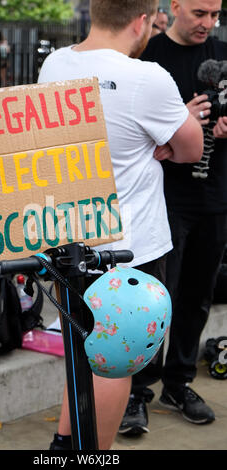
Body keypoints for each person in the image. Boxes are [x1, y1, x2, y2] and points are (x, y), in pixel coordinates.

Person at [38, 0, 203, 450]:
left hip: (68, 241)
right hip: (126, 250)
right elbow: (191, 148)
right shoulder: (147, 77)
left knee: (80, 349)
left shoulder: (54, 64)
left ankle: (64, 445)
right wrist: (169, 128)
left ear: (94, 12)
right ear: (143, 20)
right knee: (113, 362)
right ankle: (95, 454)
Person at [119, 0, 227, 437]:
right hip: (163, 200)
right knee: (154, 300)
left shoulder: (222, 52)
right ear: (175, 6)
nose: (209, 23)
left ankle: (178, 384)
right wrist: (177, 122)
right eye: (200, 13)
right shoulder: (147, 56)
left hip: (216, 195)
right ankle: (136, 394)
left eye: (216, 14)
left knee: (198, 296)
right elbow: (125, 127)